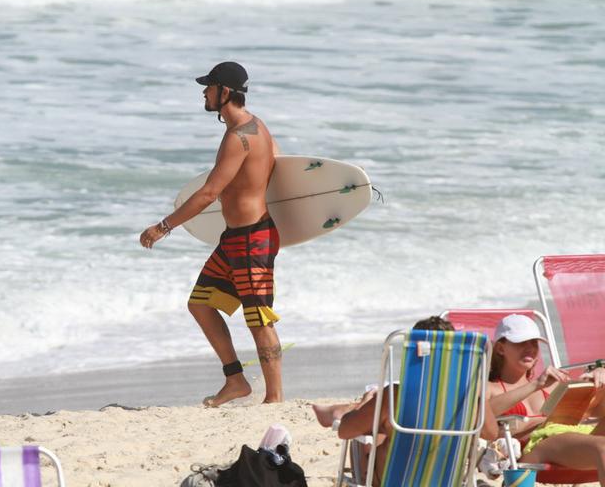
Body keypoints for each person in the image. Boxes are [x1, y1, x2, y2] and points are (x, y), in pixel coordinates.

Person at [139, 61, 283, 407]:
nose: (204, 92)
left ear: (225, 93)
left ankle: (275, 397)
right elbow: (276, 164)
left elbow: (208, 193)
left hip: (251, 238)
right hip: (235, 237)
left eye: (209, 87)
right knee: (201, 303)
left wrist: (163, 227)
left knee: (258, 317)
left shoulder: (238, 138)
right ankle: (235, 380)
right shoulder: (257, 127)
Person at [312, 316, 498, 484]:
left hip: (394, 481)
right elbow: (491, 433)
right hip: (444, 481)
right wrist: (476, 392)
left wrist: (363, 405)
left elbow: (344, 431)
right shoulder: (469, 398)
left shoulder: (394, 395)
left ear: (413, 354)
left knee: (372, 434)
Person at [487, 313, 605, 484]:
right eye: (521, 342)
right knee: (602, 447)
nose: (530, 348)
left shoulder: (551, 384)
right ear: (500, 348)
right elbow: (482, 415)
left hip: (570, 437)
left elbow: (595, 412)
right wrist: (535, 385)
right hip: (535, 447)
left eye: (533, 343)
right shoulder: (490, 388)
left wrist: (598, 383)